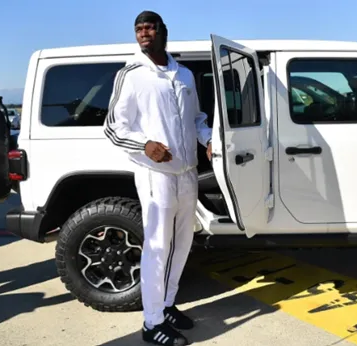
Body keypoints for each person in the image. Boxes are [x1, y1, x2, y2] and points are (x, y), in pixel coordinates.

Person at [103, 10, 212, 346]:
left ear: (163, 31)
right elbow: (113, 127)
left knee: (182, 244)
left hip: (187, 173)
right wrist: (145, 144)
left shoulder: (185, 75)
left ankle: (166, 305)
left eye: (150, 27)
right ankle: (151, 324)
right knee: (157, 247)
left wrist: (207, 140)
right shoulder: (131, 74)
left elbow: (197, 118)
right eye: (139, 29)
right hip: (155, 175)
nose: (144, 33)